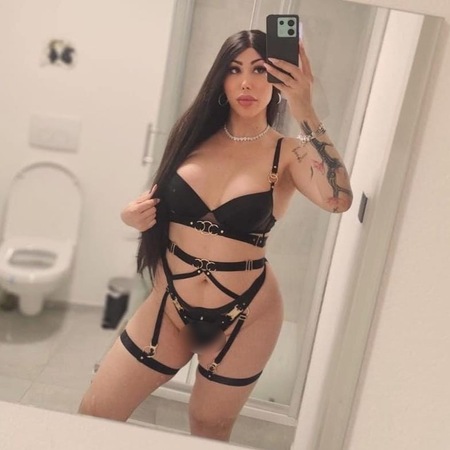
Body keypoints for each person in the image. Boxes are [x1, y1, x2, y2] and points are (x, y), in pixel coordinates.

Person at [78, 29, 352, 441]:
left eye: (259, 70)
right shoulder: (192, 137)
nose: (246, 83)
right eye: (234, 70)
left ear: (276, 79)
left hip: (247, 315)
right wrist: (130, 216)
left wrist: (305, 107)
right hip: (169, 304)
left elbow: (338, 199)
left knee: (209, 426)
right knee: (95, 411)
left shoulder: (289, 152)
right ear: (221, 79)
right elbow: (154, 202)